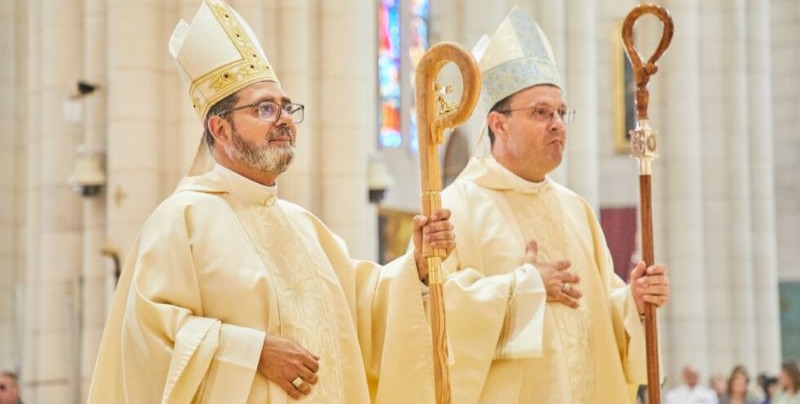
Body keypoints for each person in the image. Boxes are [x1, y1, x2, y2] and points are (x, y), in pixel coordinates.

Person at [87, 1, 453, 403]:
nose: (284, 119)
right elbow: (149, 339)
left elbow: (363, 311)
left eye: (286, 107)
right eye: (265, 108)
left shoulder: (305, 227)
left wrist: (417, 266)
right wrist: (253, 352)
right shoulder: (181, 220)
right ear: (220, 129)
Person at [435, 7, 670, 403]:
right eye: (541, 113)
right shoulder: (457, 208)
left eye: (561, 112)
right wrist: (524, 288)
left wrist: (636, 303)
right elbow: (439, 316)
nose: (557, 123)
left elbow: (604, 318)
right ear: (498, 124)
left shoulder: (576, 210)